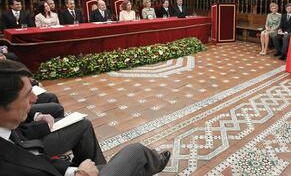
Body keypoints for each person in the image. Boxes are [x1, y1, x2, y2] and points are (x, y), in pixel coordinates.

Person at [0, 59, 171, 176]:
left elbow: (37, 158)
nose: (35, 99)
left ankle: (102, 169)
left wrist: (74, 171)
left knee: (83, 125)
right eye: (27, 95)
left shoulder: (7, 128)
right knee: (137, 152)